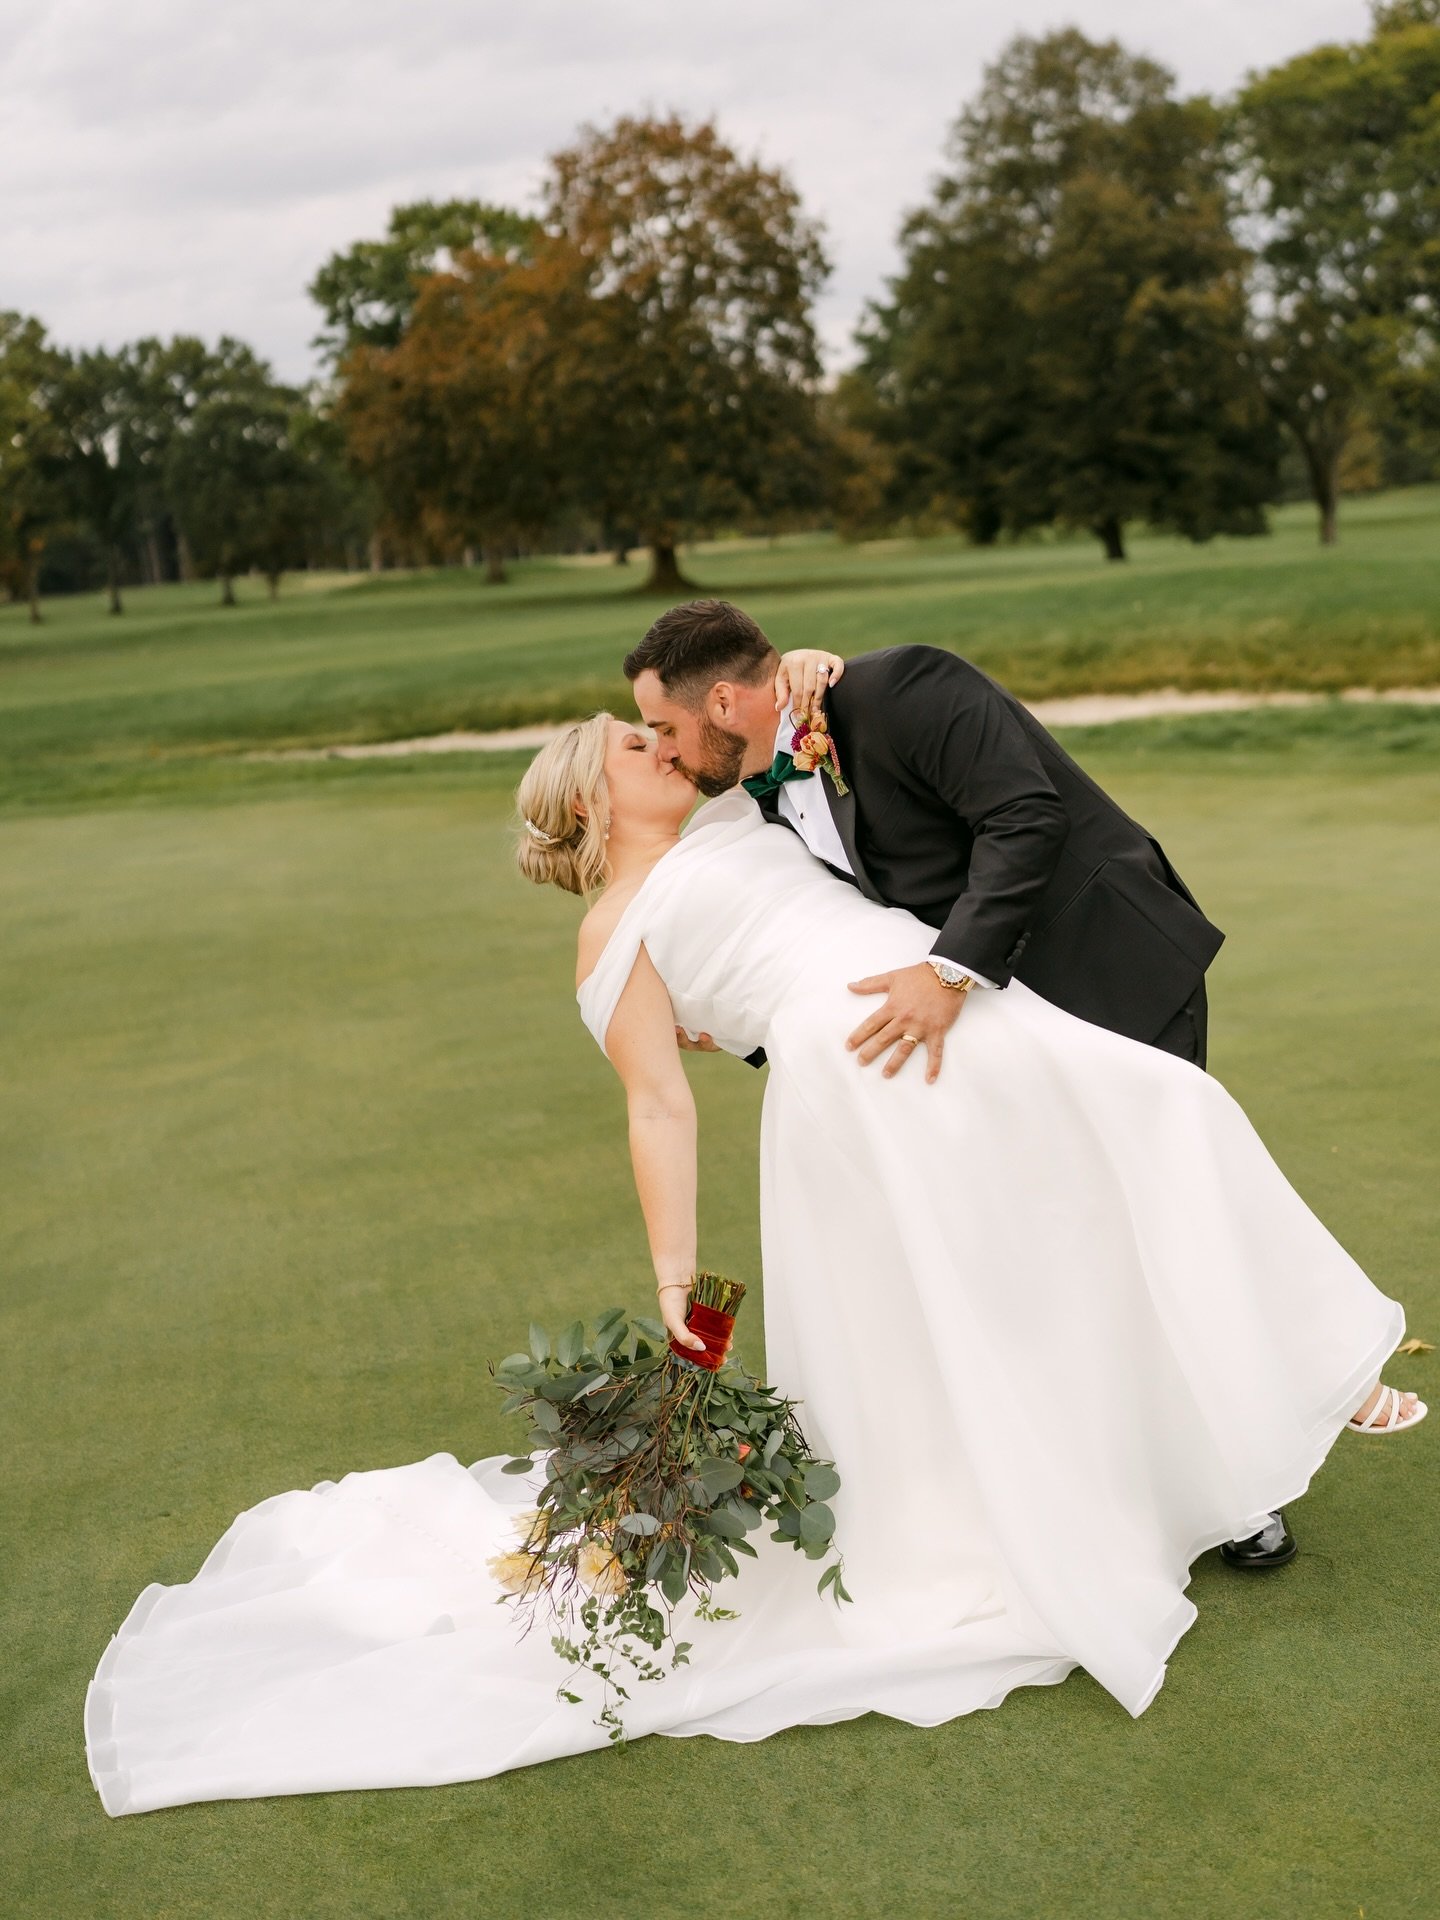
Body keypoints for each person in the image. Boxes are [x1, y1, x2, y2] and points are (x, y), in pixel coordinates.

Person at [84, 706, 1421, 1817]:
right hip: (866, 1071)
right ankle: (1280, 1395)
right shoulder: (610, 935)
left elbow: (788, 718)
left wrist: (818, 679)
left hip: (948, 990)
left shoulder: (743, 806)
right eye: (628, 741)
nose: (659, 740)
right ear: (592, 796)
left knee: (1143, 1136)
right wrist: (683, 1290)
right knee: (1065, 1212)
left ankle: (1274, 1392)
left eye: (655, 727)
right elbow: (659, 1100)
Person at [624, 602, 1277, 1568]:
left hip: (1106, 970)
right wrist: (756, 1036)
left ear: (723, 699)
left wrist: (949, 971)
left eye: (669, 729)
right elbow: (822, 933)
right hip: (998, 1040)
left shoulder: (905, 688)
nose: (668, 753)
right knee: (1069, 1251)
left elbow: (1026, 815)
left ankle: (1245, 1490)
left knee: (1156, 1226)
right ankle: (1136, 1483)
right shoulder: (761, 787)